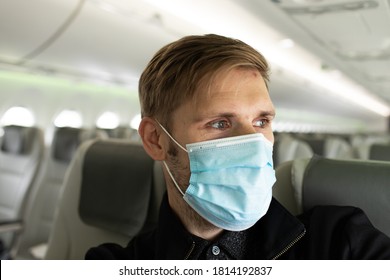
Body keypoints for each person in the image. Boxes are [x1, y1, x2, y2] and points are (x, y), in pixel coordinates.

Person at [86, 34, 390, 260]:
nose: (254, 143)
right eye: (220, 123)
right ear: (156, 140)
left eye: (261, 122)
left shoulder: (339, 242)